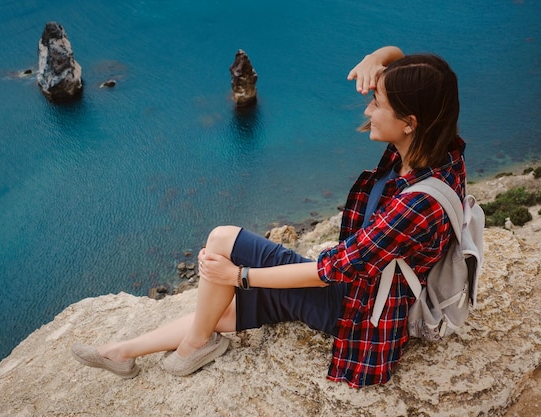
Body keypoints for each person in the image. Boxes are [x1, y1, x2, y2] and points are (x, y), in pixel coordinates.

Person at [71, 45, 466, 387]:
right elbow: (420, 74)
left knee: (223, 241)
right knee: (220, 310)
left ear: (410, 123)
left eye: (377, 103)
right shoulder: (438, 144)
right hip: (364, 283)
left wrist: (239, 276)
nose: (367, 109)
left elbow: (327, 271)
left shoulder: (416, 206)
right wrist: (376, 59)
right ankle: (123, 351)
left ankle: (193, 345)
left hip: (357, 308)